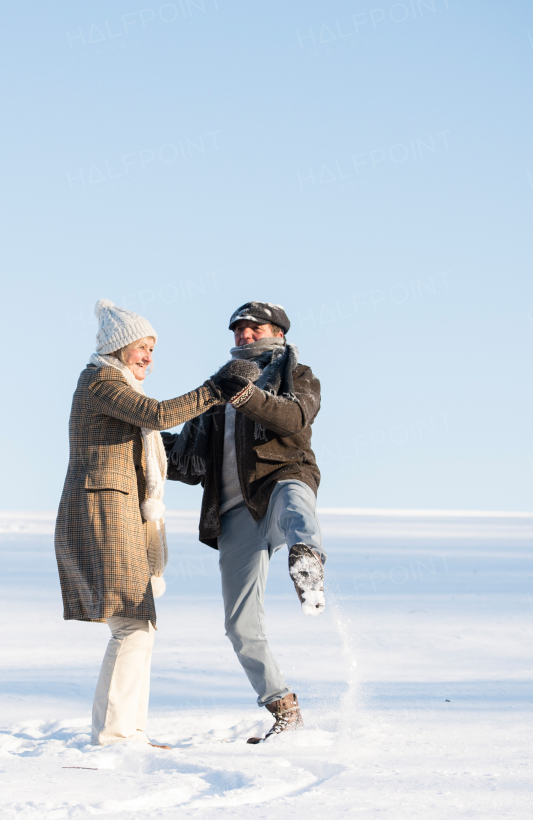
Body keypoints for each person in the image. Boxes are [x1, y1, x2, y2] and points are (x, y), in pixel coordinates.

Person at [54, 299, 247, 747]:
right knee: (133, 624)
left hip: (119, 512)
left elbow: (155, 433)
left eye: (153, 350)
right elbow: (158, 416)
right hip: (101, 512)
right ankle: (117, 735)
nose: (149, 358)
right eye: (142, 347)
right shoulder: (100, 379)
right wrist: (216, 388)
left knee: (139, 625)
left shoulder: (115, 386)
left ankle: (126, 731)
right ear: (118, 347)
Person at [163, 301, 327, 744]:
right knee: (240, 624)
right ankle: (284, 708)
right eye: (238, 330)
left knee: (295, 503)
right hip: (234, 509)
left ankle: (307, 561)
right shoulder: (216, 387)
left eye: (255, 328)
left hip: (280, 478)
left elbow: (294, 417)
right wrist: (139, 443)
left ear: (277, 331)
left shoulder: (297, 373)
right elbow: (189, 461)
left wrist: (246, 394)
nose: (245, 335)